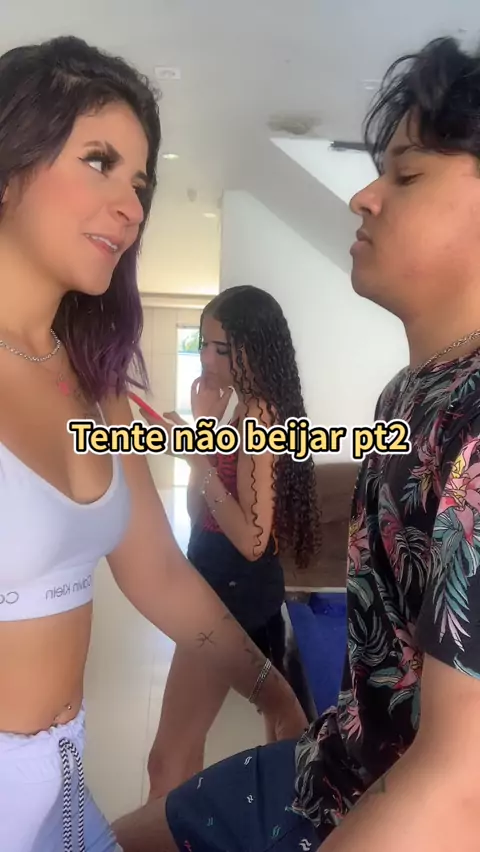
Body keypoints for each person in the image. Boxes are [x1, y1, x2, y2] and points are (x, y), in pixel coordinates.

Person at [112, 33, 480, 852]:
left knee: (166, 760)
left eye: (406, 175)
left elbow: (460, 786)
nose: (363, 198)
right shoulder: (408, 393)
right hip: (332, 767)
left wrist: (196, 453)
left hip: (252, 611)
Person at [0, 34, 309, 852]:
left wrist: (272, 688)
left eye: (140, 184)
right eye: (99, 162)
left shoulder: (94, 380)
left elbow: (160, 574)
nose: (134, 208)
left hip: (63, 781)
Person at [143, 285, 322, 798]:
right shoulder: (243, 411)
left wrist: (197, 458)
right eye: (203, 344)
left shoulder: (259, 416)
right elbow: (200, 514)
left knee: (167, 758)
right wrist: (202, 433)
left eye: (222, 348)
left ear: (254, 349)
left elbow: (253, 540)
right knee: (186, 748)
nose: (207, 358)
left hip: (231, 590)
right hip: (216, 582)